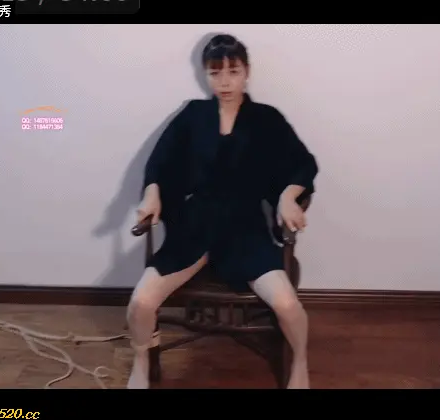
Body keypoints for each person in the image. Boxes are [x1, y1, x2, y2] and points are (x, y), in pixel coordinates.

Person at [125, 33, 319, 389]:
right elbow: (159, 163)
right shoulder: (192, 115)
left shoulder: (266, 119)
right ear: (205, 74)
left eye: (233, 71)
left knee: (288, 306)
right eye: (216, 73)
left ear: (247, 72)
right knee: (140, 302)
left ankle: (300, 364)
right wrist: (151, 195)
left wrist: (288, 197)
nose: (225, 82)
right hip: (195, 226)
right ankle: (141, 361)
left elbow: (303, 164)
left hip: (245, 229)